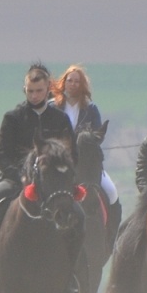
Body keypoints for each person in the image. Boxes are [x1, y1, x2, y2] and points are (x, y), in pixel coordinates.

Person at [0, 62, 91, 293]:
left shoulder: (60, 119)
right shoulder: (13, 118)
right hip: (13, 182)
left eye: (39, 90)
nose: (34, 95)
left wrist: (58, 178)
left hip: (52, 187)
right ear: (25, 89)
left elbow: (72, 156)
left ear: (48, 90)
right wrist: (23, 178)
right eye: (30, 91)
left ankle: (73, 279)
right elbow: (1, 157)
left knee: (79, 217)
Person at [54, 65, 124, 233]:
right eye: (69, 81)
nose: (72, 84)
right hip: (60, 163)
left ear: (82, 84)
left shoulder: (91, 109)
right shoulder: (53, 107)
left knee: (112, 193)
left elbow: (98, 135)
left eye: (77, 81)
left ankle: (112, 235)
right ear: (64, 83)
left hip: (86, 163)